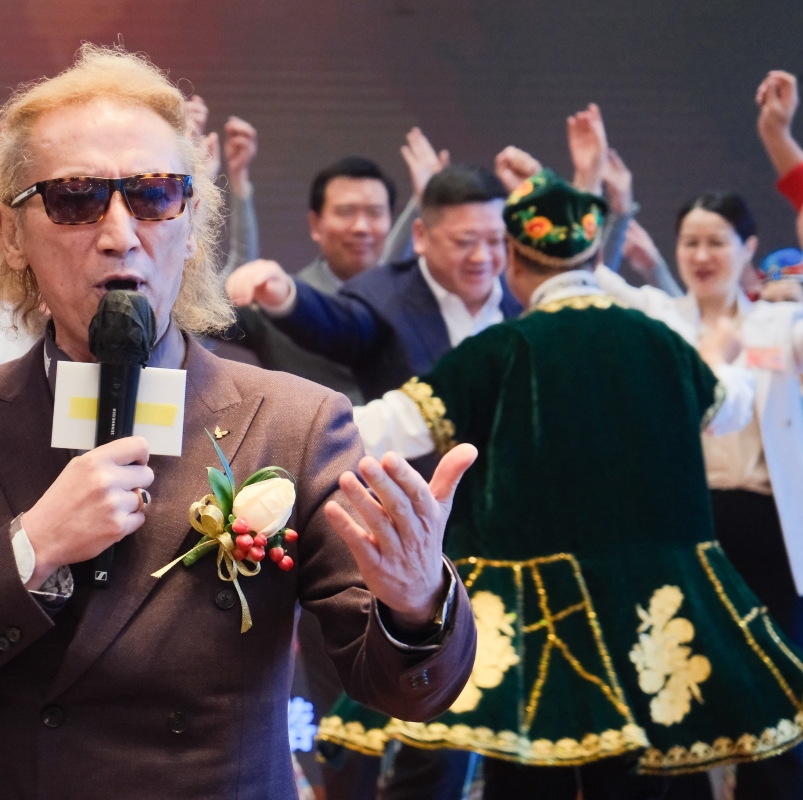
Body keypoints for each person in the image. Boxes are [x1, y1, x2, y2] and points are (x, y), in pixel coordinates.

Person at [0, 45, 477, 798]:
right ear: (11, 235)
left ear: (192, 220)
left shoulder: (296, 423)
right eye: (75, 198)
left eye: (153, 195)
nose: (120, 233)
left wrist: (417, 603)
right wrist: (32, 548)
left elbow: (405, 690)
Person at [321, 168, 803, 799]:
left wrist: (292, 422)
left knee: (528, 769)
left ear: (515, 261)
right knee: (650, 767)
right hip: (656, 609)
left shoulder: (502, 348)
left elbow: (388, 424)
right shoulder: (661, 342)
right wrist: (722, 357)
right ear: (595, 256)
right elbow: (733, 407)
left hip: (542, 617)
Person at [594, 191, 803, 798]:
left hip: (768, 525)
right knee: (677, 676)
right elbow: (589, 277)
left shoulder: (780, 322)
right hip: (682, 520)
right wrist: (598, 190)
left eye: (717, 242)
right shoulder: (658, 317)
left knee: (773, 682)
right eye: (691, 242)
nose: (703, 255)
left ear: (749, 248)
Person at [227, 164, 522, 403]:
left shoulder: (525, 299)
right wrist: (286, 295)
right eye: (464, 241)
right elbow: (335, 323)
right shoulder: (382, 296)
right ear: (420, 236)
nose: (482, 257)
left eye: (496, 241)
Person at [226, 156, 398, 406]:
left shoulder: (411, 303)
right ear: (315, 224)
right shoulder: (273, 298)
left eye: (375, 212)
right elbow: (200, 310)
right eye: (346, 212)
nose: (361, 227)